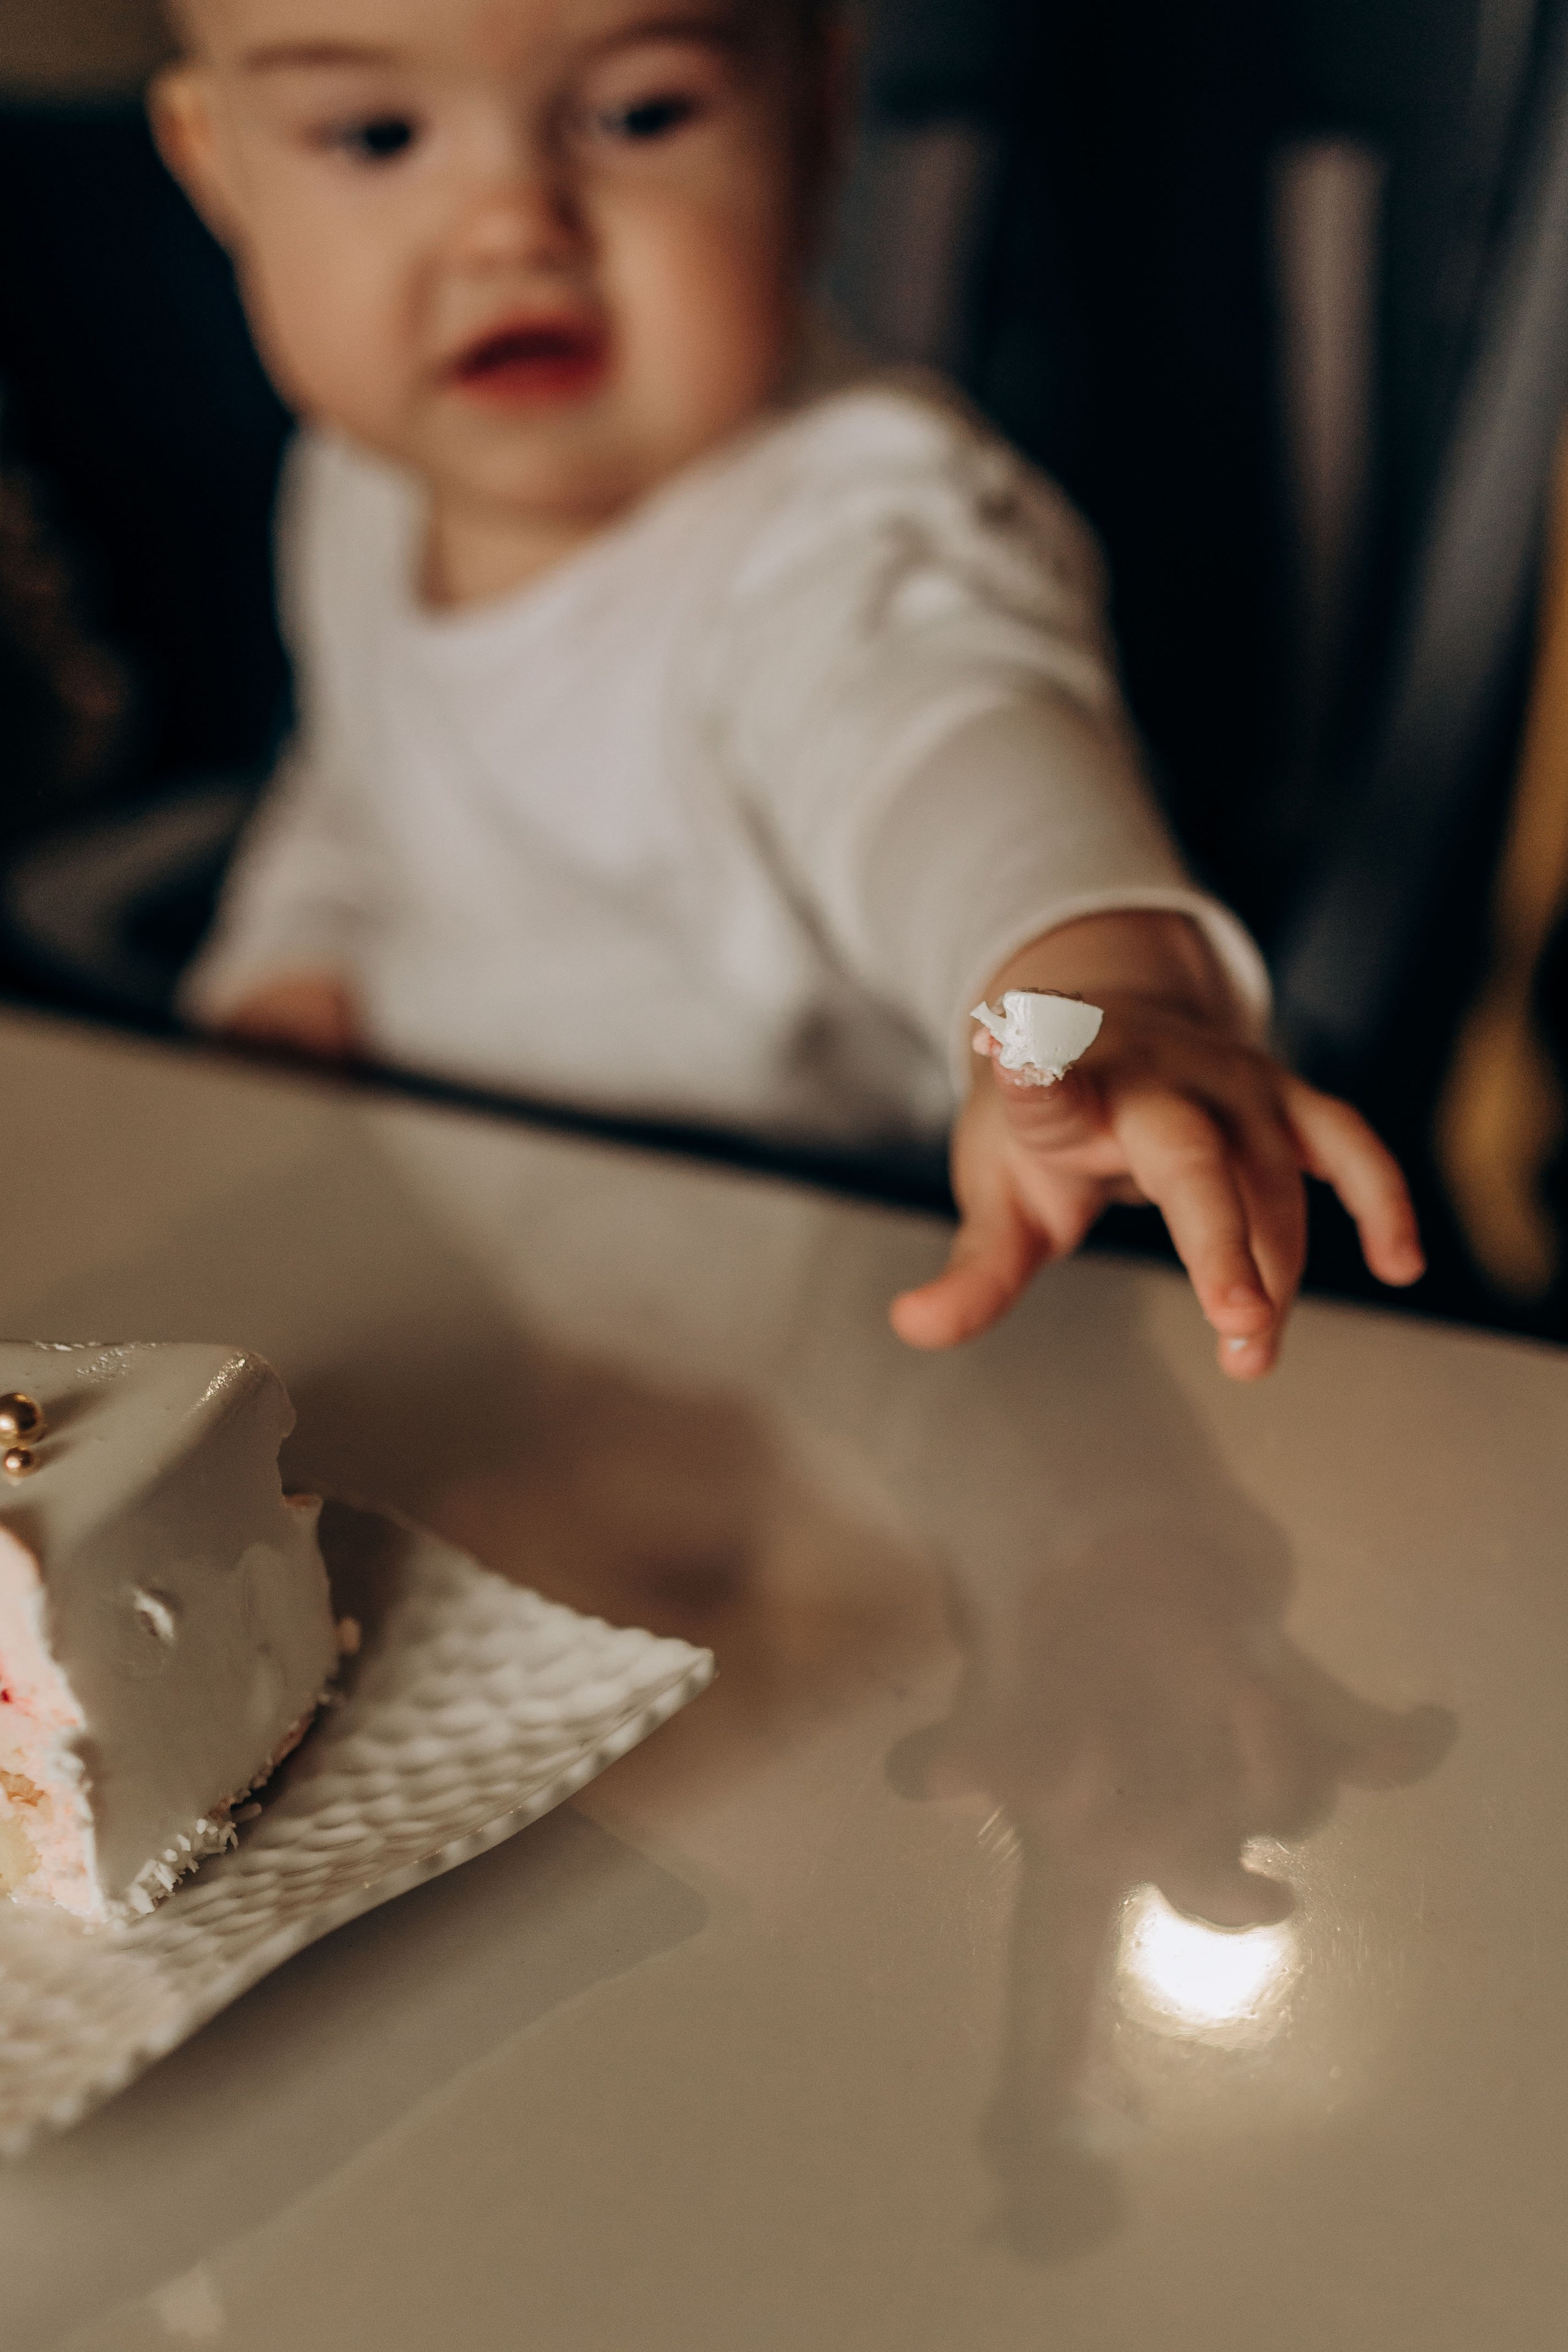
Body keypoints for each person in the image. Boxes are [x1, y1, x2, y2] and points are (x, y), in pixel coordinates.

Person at [151, 0, 1424, 1378]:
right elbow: (359, 788)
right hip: (488, 1278)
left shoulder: (848, 530)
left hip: (845, 1315)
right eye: (376, 135)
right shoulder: (359, 482)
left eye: (638, 116)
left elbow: (946, 753)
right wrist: (291, 961)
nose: (511, 226)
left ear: (821, 118)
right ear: (218, 165)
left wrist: (1097, 995)